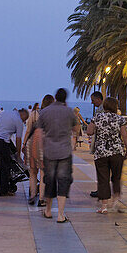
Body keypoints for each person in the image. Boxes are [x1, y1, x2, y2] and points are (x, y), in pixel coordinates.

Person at [39, 89, 79, 223]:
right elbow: (76, 129)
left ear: (55, 97)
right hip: (64, 152)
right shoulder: (69, 112)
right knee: (63, 181)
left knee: (49, 180)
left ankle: (48, 211)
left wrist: (40, 152)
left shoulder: (45, 112)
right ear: (65, 98)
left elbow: (40, 133)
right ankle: (61, 215)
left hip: (49, 151)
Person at [88, 96, 127, 214]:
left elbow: (89, 131)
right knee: (116, 177)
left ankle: (104, 206)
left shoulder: (97, 117)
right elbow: (125, 135)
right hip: (117, 152)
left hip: (101, 152)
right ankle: (116, 202)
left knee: (103, 178)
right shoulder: (120, 119)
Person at [25, 95, 53, 207]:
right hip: (44, 144)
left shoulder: (34, 113)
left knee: (32, 172)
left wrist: (23, 144)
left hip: (32, 143)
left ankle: (32, 196)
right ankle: (41, 199)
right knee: (43, 173)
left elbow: (28, 130)